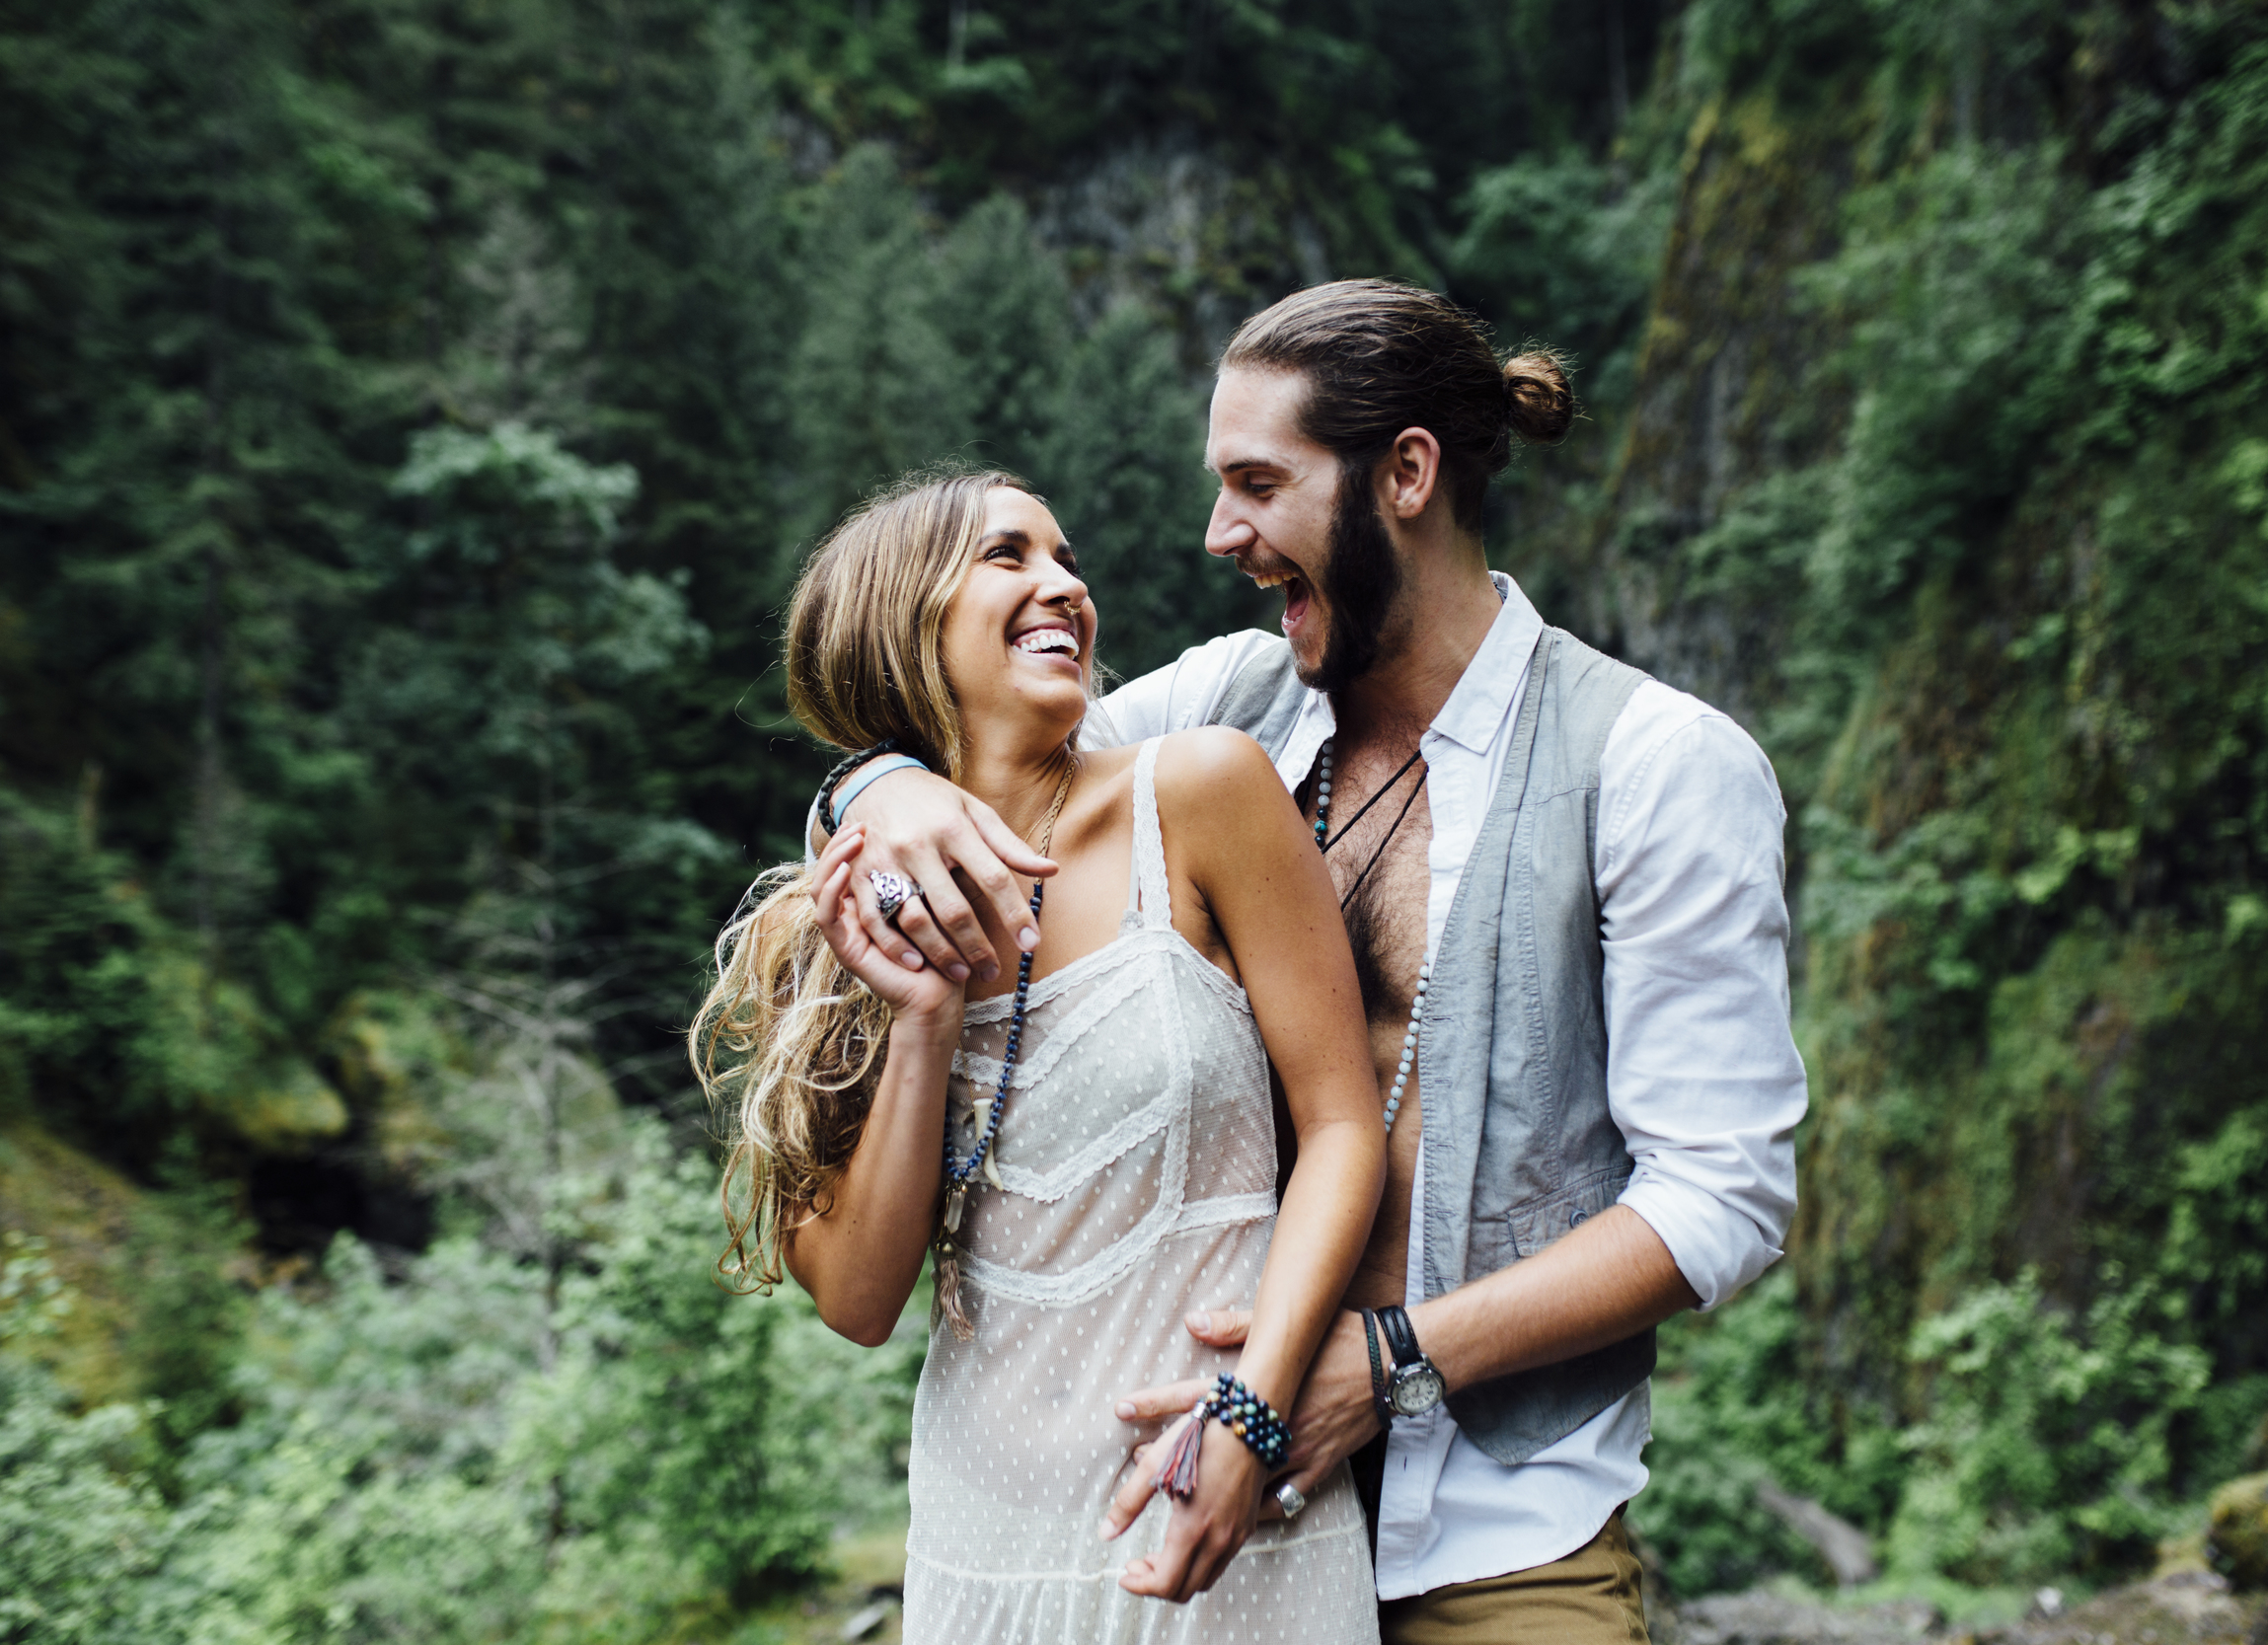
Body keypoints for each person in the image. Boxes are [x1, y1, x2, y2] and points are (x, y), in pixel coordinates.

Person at [813, 281, 1806, 1643]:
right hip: (1181, 1508)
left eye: (1258, 484)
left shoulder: (1659, 764)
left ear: (1405, 474)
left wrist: (1382, 1363)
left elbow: (1721, 1198)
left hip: (1499, 1530)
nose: (1222, 534)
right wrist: (873, 787)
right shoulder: (1228, 705)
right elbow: (971, 732)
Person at [695, 469, 1388, 1643]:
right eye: (1007, 555)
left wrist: (1255, 1414)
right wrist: (919, 1017)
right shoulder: (832, 924)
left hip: (1221, 1501)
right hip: (984, 1542)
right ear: (899, 619)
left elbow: (1338, 1127)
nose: (1063, 582)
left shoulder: (1202, 793)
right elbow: (861, 1302)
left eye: (1066, 559)